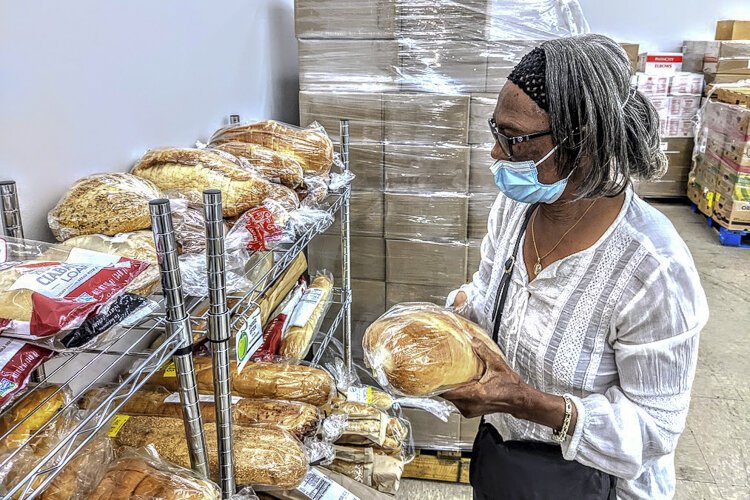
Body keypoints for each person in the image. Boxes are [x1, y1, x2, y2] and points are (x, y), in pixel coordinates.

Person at [441, 34, 709, 499]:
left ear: (581, 142)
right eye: (495, 132)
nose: (496, 154)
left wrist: (532, 404)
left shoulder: (652, 270)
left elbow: (654, 429)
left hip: (594, 484)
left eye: (514, 139)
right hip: (507, 464)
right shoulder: (514, 211)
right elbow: (489, 293)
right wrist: (456, 317)